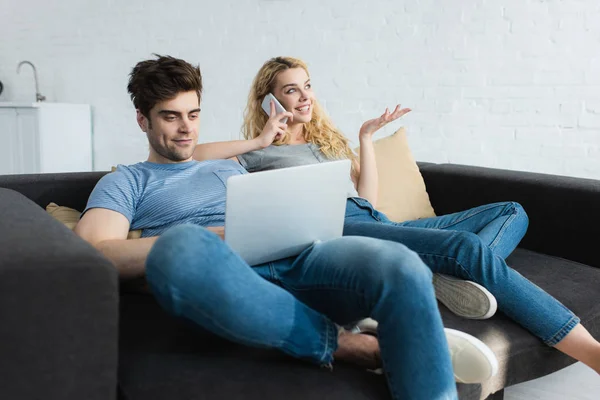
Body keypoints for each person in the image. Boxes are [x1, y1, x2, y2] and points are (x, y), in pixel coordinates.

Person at [74, 54, 499, 400]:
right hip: (223, 271)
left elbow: (276, 166)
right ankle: (351, 342)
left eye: (193, 114)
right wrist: (216, 236)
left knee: (401, 265)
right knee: (180, 247)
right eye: (170, 117)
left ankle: (405, 339)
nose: (186, 129)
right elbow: (95, 252)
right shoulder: (127, 180)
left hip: (295, 253)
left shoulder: (230, 162)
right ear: (142, 121)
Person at [193, 56, 600, 376]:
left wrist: (365, 139)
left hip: (377, 221)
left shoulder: (325, 142)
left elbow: (368, 196)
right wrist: (261, 136)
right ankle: (590, 351)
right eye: (291, 90)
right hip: (336, 228)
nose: (304, 97)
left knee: (512, 210)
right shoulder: (257, 153)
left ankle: (451, 275)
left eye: (308, 86)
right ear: (271, 99)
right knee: (464, 246)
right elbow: (192, 155)